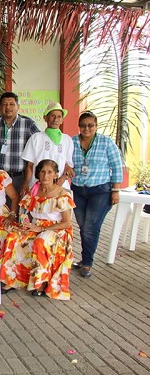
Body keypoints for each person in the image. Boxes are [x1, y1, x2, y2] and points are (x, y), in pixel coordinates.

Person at [0, 160, 76, 300]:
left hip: (57, 230)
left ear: (56, 175)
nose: (45, 175)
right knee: (13, 237)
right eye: (42, 172)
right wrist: (24, 224)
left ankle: (41, 282)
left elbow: (66, 223)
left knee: (40, 242)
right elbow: (26, 213)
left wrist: (42, 228)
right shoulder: (34, 191)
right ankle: (11, 279)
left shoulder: (62, 194)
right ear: (38, 174)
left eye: (49, 172)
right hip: (35, 226)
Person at [71, 111, 123, 278]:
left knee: (90, 227)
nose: (87, 128)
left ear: (96, 126)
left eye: (90, 125)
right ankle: (84, 258)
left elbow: (116, 166)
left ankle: (87, 263)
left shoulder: (106, 142)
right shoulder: (72, 142)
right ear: (79, 126)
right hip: (79, 190)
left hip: (100, 190)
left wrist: (115, 190)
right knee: (83, 225)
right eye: (83, 125)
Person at [0, 92, 40, 195]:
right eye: (4, 104)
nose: (8, 107)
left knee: (18, 208)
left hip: (20, 178)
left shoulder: (28, 124)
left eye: (11, 104)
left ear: (18, 106)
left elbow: (39, 148)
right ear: (0, 107)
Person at [21, 101, 74, 195]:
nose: (55, 119)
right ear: (45, 118)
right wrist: (25, 184)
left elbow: (68, 165)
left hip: (60, 186)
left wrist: (62, 179)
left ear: (62, 120)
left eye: (59, 116)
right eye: (52, 116)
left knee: (59, 208)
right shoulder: (36, 138)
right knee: (38, 208)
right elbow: (30, 166)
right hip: (38, 186)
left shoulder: (67, 140)